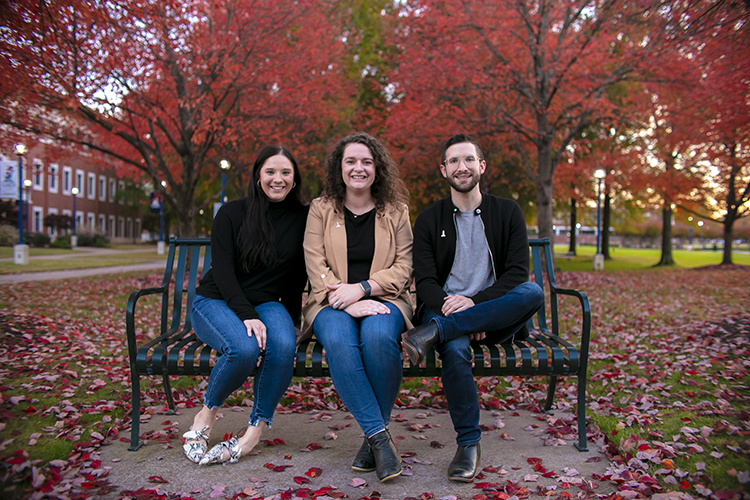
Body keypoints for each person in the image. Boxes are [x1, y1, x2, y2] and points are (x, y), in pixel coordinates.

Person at [403, 134, 544, 482]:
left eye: (468, 160)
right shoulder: (429, 219)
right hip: (443, 310)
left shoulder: (508, 211)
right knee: (454, 349)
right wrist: (457, 314)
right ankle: (469, 443)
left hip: (492, 314)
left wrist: (476, 304)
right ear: (443, 170)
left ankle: (435, 334)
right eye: (453, 161)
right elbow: (426, 283)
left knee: (532, 291)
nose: (461, 167)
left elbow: (515, 275)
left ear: (481, 166)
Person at [182, 146, 308, 466]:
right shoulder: (231, 213)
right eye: (270, 172)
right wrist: (247, 314)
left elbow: (297, 276)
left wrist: (292, 319)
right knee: (243, 348)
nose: (277, 179)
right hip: (215, 300)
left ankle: (254, 430)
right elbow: (222, 271)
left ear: (294, 180)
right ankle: (206, 415)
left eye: (285, 173)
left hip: (266, 303)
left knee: (282, 344)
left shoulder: (304, 218)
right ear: (257, 176)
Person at [302, 132, 413, 482]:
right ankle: (379, 438)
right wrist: (345, 301)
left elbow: (404, 266)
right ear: (340, 167)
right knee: (337, 338)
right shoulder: (321, 209)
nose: (358, 168)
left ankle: (371, 439)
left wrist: (363, 290)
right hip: (330, 302)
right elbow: (315, 261)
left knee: (380, 338)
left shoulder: (396, 212)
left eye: (366, 161)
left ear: (377, 168)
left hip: (386, 299)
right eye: (351, 161)